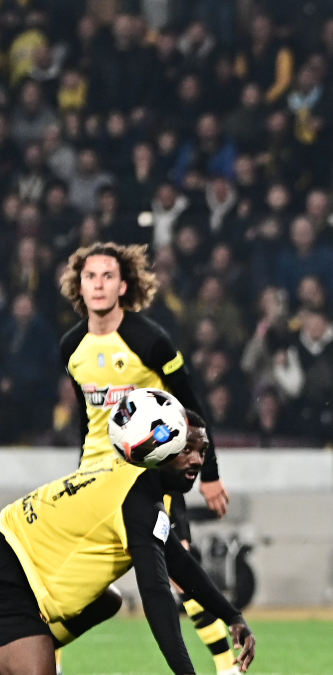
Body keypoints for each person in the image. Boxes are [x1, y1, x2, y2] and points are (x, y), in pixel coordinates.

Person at [57, 242, 238, 674]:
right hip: (96, 477)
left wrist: (209, 473)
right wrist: (82, 470)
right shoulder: (71, 347)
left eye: (107, 276)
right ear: (79, 285)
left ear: (123, 286)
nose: (98, 285)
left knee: (181, 574)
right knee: (61, 578)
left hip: (150, 476)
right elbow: (88, 418)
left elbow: (192, 406)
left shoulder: (150, 341)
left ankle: (228, 666)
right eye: (90, 276)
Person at [0, 399, 256, 675]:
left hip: (12, 557)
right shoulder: (138, 501)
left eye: (202, 451)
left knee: (107, 601)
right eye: (186, 449)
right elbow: (156, 594)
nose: (197, 460)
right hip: (11, 571)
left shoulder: (134, 477)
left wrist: (232, 615)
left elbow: (180, 563)